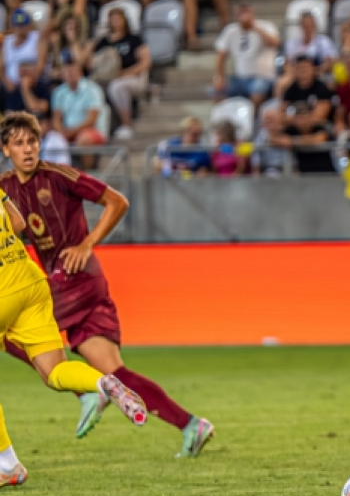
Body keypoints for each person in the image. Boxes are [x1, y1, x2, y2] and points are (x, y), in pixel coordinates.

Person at [0, 111, 214, 457]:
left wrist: (87, 244)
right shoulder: (6, 189)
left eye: (33, 141)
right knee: (113, 370)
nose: (28, 149)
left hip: (76, 279)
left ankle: (84, 393)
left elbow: (118, 201)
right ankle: (190, 423)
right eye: (19, 143)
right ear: (6, 150)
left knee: (11, 332)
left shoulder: (59, 176)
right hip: (60, 283)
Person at [0, 168, 146, 486]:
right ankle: (102, 384)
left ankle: (7, 463)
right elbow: (19, 224)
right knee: (54, 371)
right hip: (31, 282)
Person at [90, 8, 151, 141]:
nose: (115, 22)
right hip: (105, 77)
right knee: (90, 88)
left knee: (116, 87)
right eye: (112, 19)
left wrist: (125, 73)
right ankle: (98, 129)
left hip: (131, 77)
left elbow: (146, 62)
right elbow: (91, 62)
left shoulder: (134, 39)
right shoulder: (104, 42)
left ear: (125, 20)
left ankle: (126, 124)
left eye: (118, 19)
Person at [213, 2, 280, 109]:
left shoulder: (266, 26)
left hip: (262, 77)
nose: (243, 16)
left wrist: (254, 27)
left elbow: (275, 43)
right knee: (218, 92)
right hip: (240, 78)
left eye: (246, 12)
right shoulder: (230, 30)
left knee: (257, 92)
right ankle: (221, 121)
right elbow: (221, 54)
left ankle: (252, 122)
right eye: (240, 13)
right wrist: (219, 77)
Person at [51, 56, 109, 149]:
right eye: (67, 72)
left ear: (80, 73)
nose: (70, 74)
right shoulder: (59, 92)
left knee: (84, 139)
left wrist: (70, 132)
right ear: (62, 75)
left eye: (73, 71)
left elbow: (91, 121)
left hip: (92, 131)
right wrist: (61, 131)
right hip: (68, 131)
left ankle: (87, 164)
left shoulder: (92, 89)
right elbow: (56, 119)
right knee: (51, 140)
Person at [283, 11, 337, 75]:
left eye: (309, 24)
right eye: (304, 24)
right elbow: (287, 64)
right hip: (297, 76)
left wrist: (312, 72)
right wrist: (296, 73)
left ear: (314, 25)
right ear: (301, 25)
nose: (307, 27)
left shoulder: (323, 41)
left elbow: (330, 62)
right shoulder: (292, 43)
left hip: (318, 74)